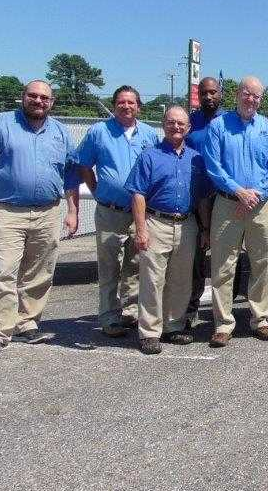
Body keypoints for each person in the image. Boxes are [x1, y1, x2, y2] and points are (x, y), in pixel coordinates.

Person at [0, 80, 80, 360]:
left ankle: (27, 322)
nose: (38, 101)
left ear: (52, 102)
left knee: (39, 272)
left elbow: (70, 176)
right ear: (23, 97)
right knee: (2, 270)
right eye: (33, 96)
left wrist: (73, 211)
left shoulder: (60, 132)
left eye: (44, 98)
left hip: (48, 212)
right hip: (6, 211)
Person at [202, 76, 268, 347]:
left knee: (263, 263)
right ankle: (223, 324)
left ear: (261, 99)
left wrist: (255, 193)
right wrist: (238, 191)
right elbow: (213, 166)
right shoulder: (218, 126)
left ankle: (261, 319)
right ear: (237, 95)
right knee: (223, 265)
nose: (251, 100)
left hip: (262, 204)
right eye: (247, 94)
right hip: (228, 202)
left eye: (256, 96)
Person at [125, 107, 213, 355]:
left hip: (187, 224)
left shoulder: (196, 159)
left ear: (188, 128)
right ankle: (150, 332)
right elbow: (138, 194)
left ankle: (173, 325)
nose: (176, 127)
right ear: (164, 125)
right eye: (171, 123)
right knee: (153, 280)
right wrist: (141, 229)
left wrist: (205, 228)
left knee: (180, 279)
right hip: (156, 222)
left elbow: (204, 198)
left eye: (181, 124)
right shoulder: (149, 156)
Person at [77, 85, 159, 337]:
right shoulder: (98, 132)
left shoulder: (149, 134)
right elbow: (83, 165)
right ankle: (110, 316)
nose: (126, 106)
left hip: (139, 214)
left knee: (135, 264)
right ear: (114, 105)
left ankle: (131, 312)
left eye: (131, 102)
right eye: (121, 102)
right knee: (109, 266)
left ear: (138, 106)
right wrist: (98, 191)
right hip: (110, 211)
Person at [183, 76, 224, 328]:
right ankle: (190, 308)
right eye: (204, 93)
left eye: (213, 92)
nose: (208, 97)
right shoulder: (189, 122)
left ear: (220, 93)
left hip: (224, 197)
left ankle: (225, 311)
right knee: (194, 259)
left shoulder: (230, 121)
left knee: (226, 258)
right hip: (196, 197)